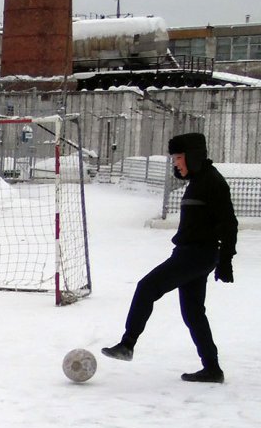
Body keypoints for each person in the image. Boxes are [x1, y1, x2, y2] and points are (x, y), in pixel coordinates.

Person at [101, 132, 237, 382]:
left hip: (196, 254)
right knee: (193, 313)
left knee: (147, 287)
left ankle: (127, 344)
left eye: (178, 157)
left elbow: (229, 224)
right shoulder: (198, 181)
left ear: (193, 156)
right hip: (191, 253)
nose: (175, 162)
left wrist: (226, 260)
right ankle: (212, 369)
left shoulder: (213, 182)